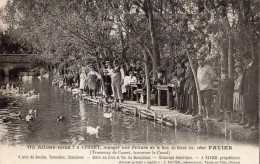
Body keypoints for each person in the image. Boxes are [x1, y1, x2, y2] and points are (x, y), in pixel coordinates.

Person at [242, 54, 258, 130]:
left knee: (254, 107)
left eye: (244, 59)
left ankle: (255, 124)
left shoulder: (256, 67)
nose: (243, 61)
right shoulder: (245, 67)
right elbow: (243, 80)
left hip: (253, 91)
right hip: (246, 91)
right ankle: (249, 122)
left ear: (249, 59)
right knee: (247, 107)